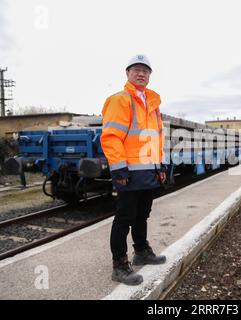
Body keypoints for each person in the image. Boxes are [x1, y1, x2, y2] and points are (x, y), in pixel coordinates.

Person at [100, 54, 167, 285]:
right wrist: (119, 170)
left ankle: (141, 252)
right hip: (128, 172)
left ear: (150, 76)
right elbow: (111, 138)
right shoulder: (120, 100)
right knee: (124, 218)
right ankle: (119, 265)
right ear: (127, 73)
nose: (141, 73)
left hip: (148, 171)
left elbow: (156, 139)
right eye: (136, 69)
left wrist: (160, 166)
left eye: (146, 70)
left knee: (142, 214)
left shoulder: (153, 105)